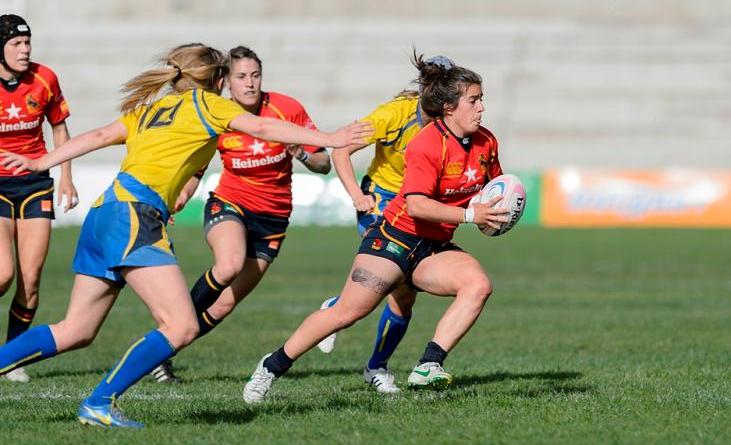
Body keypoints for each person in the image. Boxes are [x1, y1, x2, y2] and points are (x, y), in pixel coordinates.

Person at [0, 43, 371, 428]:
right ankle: (99, 403)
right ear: (218, 79)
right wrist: (331, 137)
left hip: (104, 211)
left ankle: (93, 401)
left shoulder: (151, 108)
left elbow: (97, 135)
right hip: (134, 216)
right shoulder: (207, 105)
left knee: (75, 330)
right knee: (182, 326)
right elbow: (260, 126)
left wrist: (41, 161)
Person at [243, 52, 509, 403]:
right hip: (395, 237)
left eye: (481, 100)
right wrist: (472, 216)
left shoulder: (485, 142)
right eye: (473, 101)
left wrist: (500, 210)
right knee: (348, 313)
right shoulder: (426, 143)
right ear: (448, 106)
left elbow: (497, 188)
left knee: (477, 285)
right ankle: (271, 367)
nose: (481, 109)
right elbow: (415, 205)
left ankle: (427, 365)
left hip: (433, 246)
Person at [149, 45, 332, 383]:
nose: (250, 83)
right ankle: (168, 331)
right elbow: (196, 167)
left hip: (273, 221)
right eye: (241, 77)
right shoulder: (217, 112)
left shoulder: (286, 108)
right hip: (230, 204)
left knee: (222, 306)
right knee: (228, 265)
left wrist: (302, 155)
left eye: (255, 75)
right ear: (227, 82)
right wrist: (181, 196)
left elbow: (324, 163)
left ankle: (164, 353)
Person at [314, 55, 456, 394]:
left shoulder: (452, 121)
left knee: (404, 299)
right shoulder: (393, 114)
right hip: (380, 200)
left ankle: (369, 357)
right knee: (397, 279)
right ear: (424, 87)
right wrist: (356, 197)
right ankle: (373, 362)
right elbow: (341, 150)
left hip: (416, 206)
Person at [0, 14, 78, 383]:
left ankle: (10, 359)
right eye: (16, 43)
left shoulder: (45, 78)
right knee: (3, 274)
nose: (25, 49)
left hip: (35, 185)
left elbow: (59, 127)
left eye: (27, 42)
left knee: (30, 280)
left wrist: (66, 177)